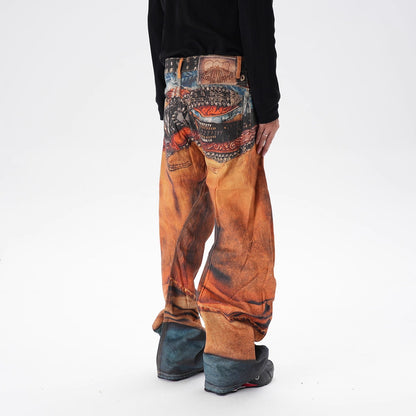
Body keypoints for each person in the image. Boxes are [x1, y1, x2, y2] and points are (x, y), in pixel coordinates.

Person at [147, 0, 281, 395]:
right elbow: (255, 15)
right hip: (226, 82)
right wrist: (268, 105)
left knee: (181, 212)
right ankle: (230, 352)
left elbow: (156, 17)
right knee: (240, 217)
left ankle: (178, 339)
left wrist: (165, 94)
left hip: (175, 85)